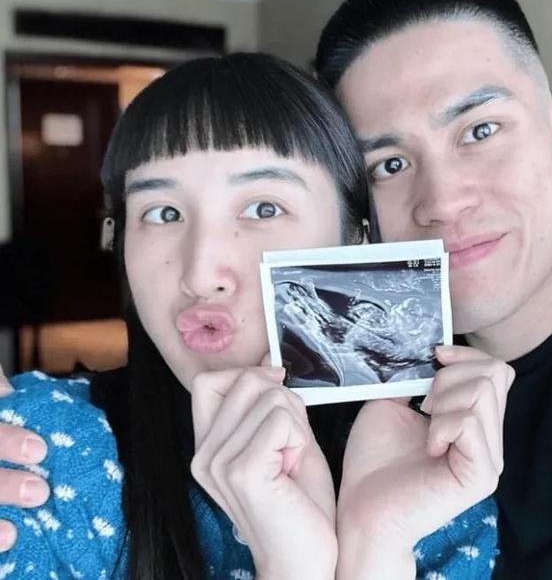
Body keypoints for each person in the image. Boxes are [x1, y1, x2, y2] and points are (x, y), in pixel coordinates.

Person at [0, 53, 510, 579]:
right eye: (163, 213)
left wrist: (375, 543)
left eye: (264, 208)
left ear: (354, 240)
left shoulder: (437, 481)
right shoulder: (38, 452)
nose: (201, 275)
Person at [313, 0, 552, 578]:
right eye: (389, 165)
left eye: (479, 130)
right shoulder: (364, 398)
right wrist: (371, 542)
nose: (442, 202)